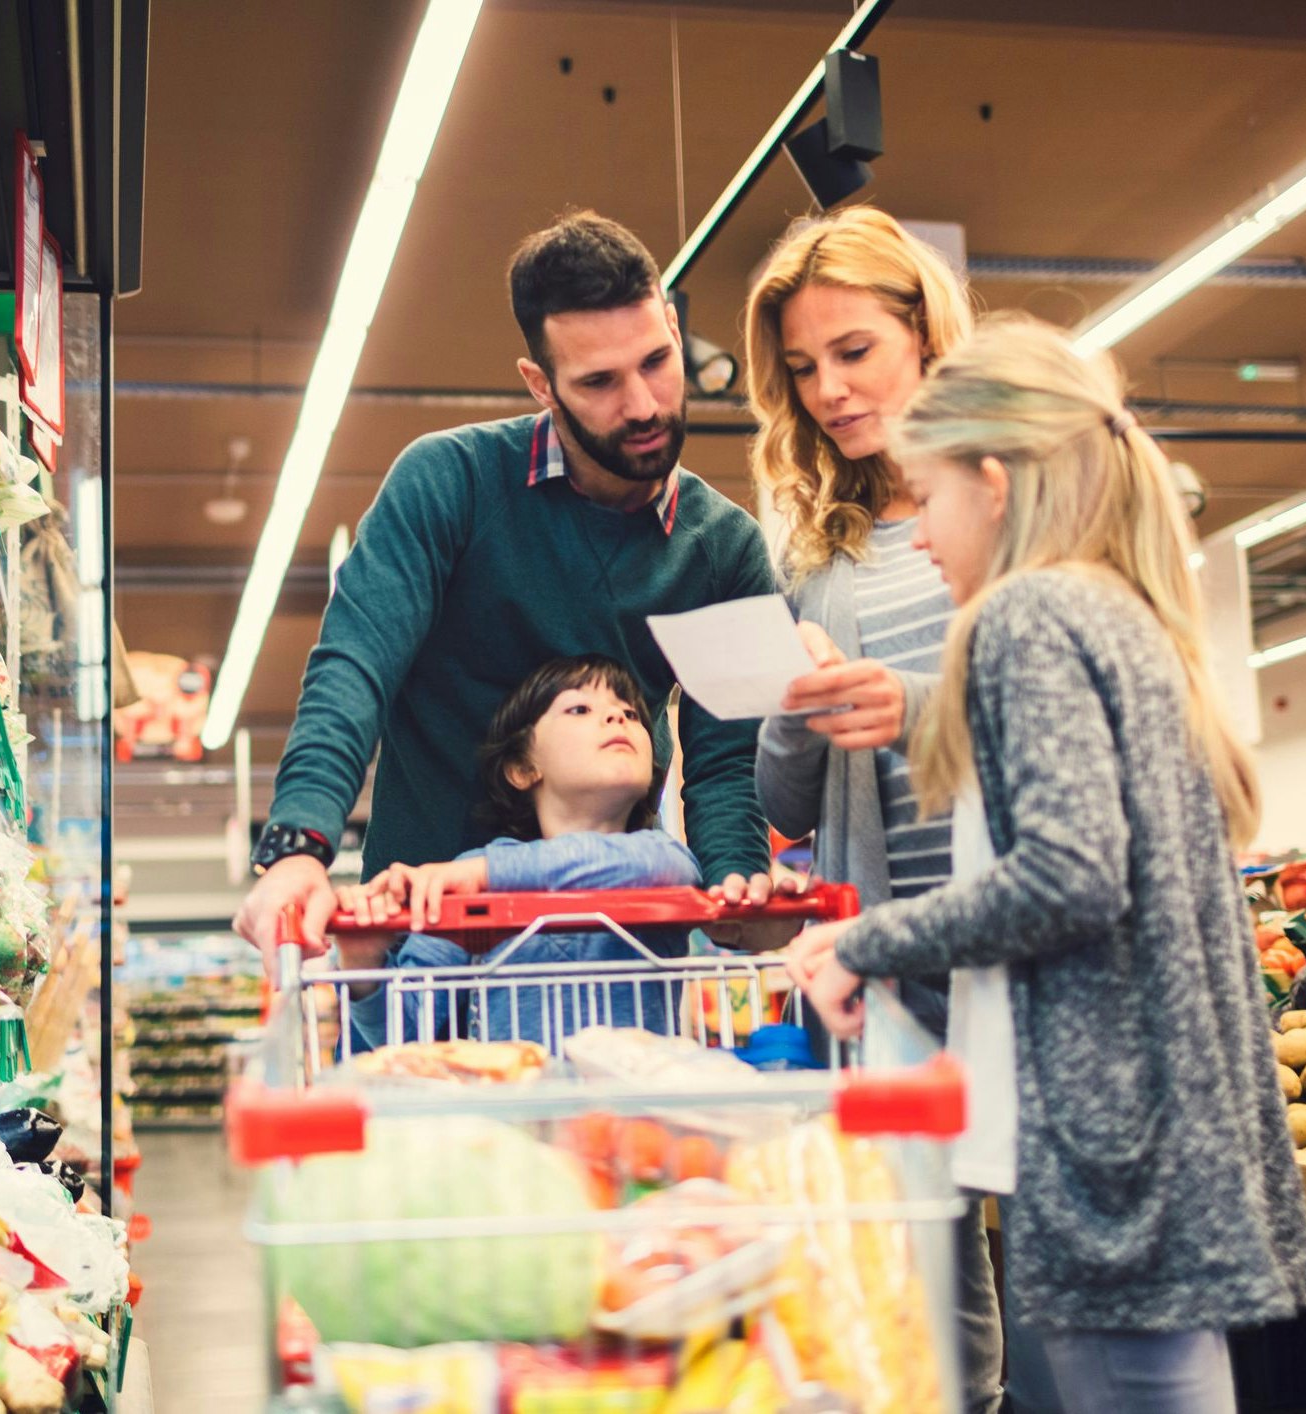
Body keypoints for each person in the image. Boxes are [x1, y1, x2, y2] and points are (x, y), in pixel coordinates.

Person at [786, 315, 1306, 1414]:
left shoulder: (1024, 615)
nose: (923, 536)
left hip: (1102, 1139)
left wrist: (865, 938)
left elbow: (1069, 874)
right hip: (1165, 1121)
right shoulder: (1122, 609)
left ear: (992, 484)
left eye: (928, 498)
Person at [235, 212, 782, 959]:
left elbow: (726, 762)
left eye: (657, 360)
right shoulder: (448, 483)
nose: (644, 405)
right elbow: (354, 667)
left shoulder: (726, 549)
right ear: (540, 385)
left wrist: (737, 891)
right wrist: (300, 845)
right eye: (598, 381)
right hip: (424, 941)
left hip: (614, 941)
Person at [744, 207, 1044, 1414]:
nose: (827, 391)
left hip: (1023, 944)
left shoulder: (1014, 498)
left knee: (1057, 1287)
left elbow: (1053, 713)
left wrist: (906, 700)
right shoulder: (815, 550)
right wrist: (792, 704)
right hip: (889, 959)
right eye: (803, 369)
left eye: (853, 350)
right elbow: (784, 803)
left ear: (925, 329)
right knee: (925, 1299)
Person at [331, 655, 704, 1050]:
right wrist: (362, 964)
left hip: (636, 1109)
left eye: (631, 713)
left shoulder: (657, 855)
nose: (617, 718)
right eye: (580, 709)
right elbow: (404, 1031)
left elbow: (673, 869)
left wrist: (486, 873)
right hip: (518, 1106)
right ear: (523, 768)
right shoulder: (472, 880)